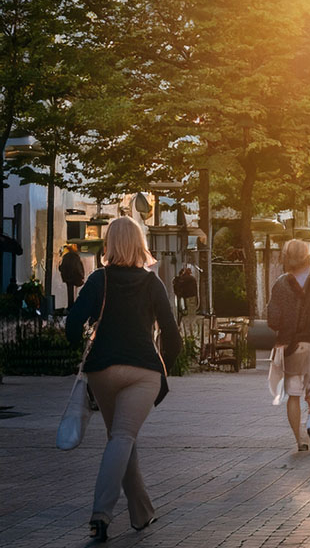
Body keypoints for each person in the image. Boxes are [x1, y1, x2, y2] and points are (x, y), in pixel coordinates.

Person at [65, 216, 181, 543]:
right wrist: (164, 371)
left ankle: (142, 512)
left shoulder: (98, 280)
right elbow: (173, 337)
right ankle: (100, 515)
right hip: (143, 371)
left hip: (103, 370)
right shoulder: (152, 282)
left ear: (109, 244)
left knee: (120, 437)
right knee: (123, 438)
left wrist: (82, 342)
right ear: (140, 242)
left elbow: (73, 326)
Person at [267, 240, 310, 452]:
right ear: (309, 257)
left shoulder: (280, 284)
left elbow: (273, 320)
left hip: (292, 346)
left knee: (294, 394)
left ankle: (300, 441)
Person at [59, 243, 85, 313]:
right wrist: (82, 275)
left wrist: (64, 275)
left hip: (68, 277)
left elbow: (61, 267)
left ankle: (70, 306)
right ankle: (75, 306)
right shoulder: (76, 257)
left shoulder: (65, 257)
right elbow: (78, 267)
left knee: (70, 291)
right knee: (76, 292)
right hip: (75, 277)